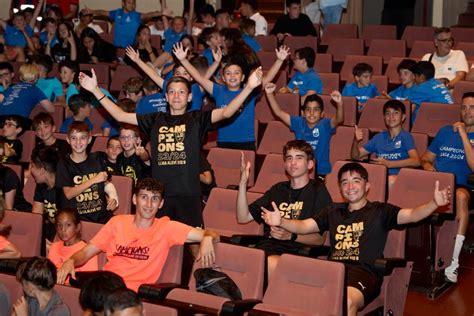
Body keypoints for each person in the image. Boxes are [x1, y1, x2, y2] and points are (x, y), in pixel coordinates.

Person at [77, 66, 263, 230]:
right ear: (166, 96)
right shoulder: (154, 119)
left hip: (188, 194)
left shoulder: (197, 119)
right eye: (172, 92)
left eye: (181, 92)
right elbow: (120, 115)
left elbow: (227, 112)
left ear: (189, 97)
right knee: (158, 242)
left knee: (195, 243)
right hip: (159, 195)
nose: (176, 96)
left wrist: (248, 88)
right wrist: (95, 90)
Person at [261, 162, 451, 315]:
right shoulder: (332, 211)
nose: (350, 187)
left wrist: (433, 203)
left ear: (367, 186)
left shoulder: (381, 211)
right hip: (332, 270)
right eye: (344, 182)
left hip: (363, 273)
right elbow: (303, 226)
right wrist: (283, 221)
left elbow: (412, 215)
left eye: (356, 181)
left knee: (347, 301)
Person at [57, 178, 220, 292]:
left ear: (161, 203)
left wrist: (206, 238)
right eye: (144, 197)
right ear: (134, 199)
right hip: (105, 288)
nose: (149, 205)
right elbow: (86, 252)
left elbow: (213, 234)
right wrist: (71, 261)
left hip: (132, 297)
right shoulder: (117, 223)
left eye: (155, 199)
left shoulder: (167, 227)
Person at [238, 140, 332, 276]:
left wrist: (290, 236)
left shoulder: (318, 191)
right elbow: (243, 217)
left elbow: (320, 239)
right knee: (236, 258)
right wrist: (242, 184)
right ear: (285, 164)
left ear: (310, 164)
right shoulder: (278, 189)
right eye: (289, 158)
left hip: (297, 251)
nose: (293, 163)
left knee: (269, 263)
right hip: (267, 247)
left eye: (299, 158)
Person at [173, 42, 288, 150]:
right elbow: (199, 78)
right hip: (224, 141)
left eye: (236, 73)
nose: (232, 76)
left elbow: (267, 78)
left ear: (243, 77)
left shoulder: (250, 91)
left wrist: (279, 60)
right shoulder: (218, 90)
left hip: (246, 142)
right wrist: (183, 60)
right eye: (228, 73)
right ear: (223, 78)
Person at [421, 92, 474, 283]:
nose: (467, 112)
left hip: (464, 185)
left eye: (472, 108)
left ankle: (453, 260)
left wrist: (463, 134)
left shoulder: (462, 132)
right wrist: (427, 166)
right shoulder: (445, 132)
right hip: (437, 181)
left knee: (460, 196)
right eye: (464, 107)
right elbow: (426, 158)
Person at [266, 83, 343, 176]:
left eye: (316, 110)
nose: (311, 113)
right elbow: (279, 113)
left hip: (321, 172)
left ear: (322, 113)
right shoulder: (298, 123)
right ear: (303, 113)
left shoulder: (325, 125)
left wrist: (339, 103)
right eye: (308, 109)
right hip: (300, 170)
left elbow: (339, 119)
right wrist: (269, 94)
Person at [55, 121, 119, 224]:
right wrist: (94, 180)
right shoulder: (64, 163)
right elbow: (69, 194)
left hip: (102, 217)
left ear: (89, 139)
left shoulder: (98, 158)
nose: (78, 142)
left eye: (83, 138)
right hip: (79, 221)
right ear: (68, 140)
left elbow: (106, 184)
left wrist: (113, 198)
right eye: (74, 138)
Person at [351, 100, 420, 186]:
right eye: (388, 113)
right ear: (384, 117)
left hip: (398, 178)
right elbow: (355, 156)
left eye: (395, 113)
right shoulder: (378, 137)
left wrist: (390, 164)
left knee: (390, 180)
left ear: (403, 117)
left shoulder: (406, 137)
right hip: (379, 176)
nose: (391, 116)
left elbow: (416, 161)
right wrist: (355, 141)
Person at [85, 0, 164, 48]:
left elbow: (149, 14)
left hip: (130, 48)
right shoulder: (117, 13)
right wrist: (92, 11)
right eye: (129, 2)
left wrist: (162, 12)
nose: (131, 5)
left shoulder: (136, 16)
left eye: (133, 3)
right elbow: (103, 12)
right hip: (116, 47)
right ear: (123, 3)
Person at [48, 208, 99, 275]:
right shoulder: (54, 247)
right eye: (59, 225)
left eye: (68, 225)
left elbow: (89, 281)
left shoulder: (87, 251)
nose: (63, 229)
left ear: (77, 227)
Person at [31, 147, 63, 250]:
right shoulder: (41, 185)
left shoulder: (65, 188)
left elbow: (68, 224)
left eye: (32, 166)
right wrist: (40, 239)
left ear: (41, 170)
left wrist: (54, 246)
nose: (30, 170)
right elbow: (36, 217)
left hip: (65, 233)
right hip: (50, 231)